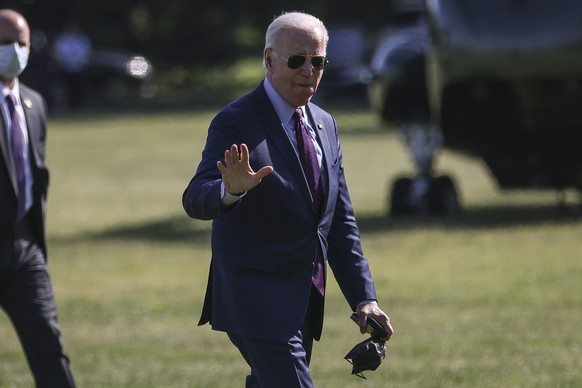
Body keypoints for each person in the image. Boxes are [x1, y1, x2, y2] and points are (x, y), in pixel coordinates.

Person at [182, 11, 394, 387]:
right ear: (269, 60)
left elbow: (338, 222)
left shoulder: (326, 125)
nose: (308, 70)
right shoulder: (235, 121)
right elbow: (195, 197)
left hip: (304, 297)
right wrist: (229, 191)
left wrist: (364, 298)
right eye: (297, 60)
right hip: (253, 296)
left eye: (318, 61)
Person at [0, 9, 76, 387]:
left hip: (25, 249)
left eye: (20, 43)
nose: (13, 50)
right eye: (3, 43)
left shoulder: (34, 103)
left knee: (48, 347)